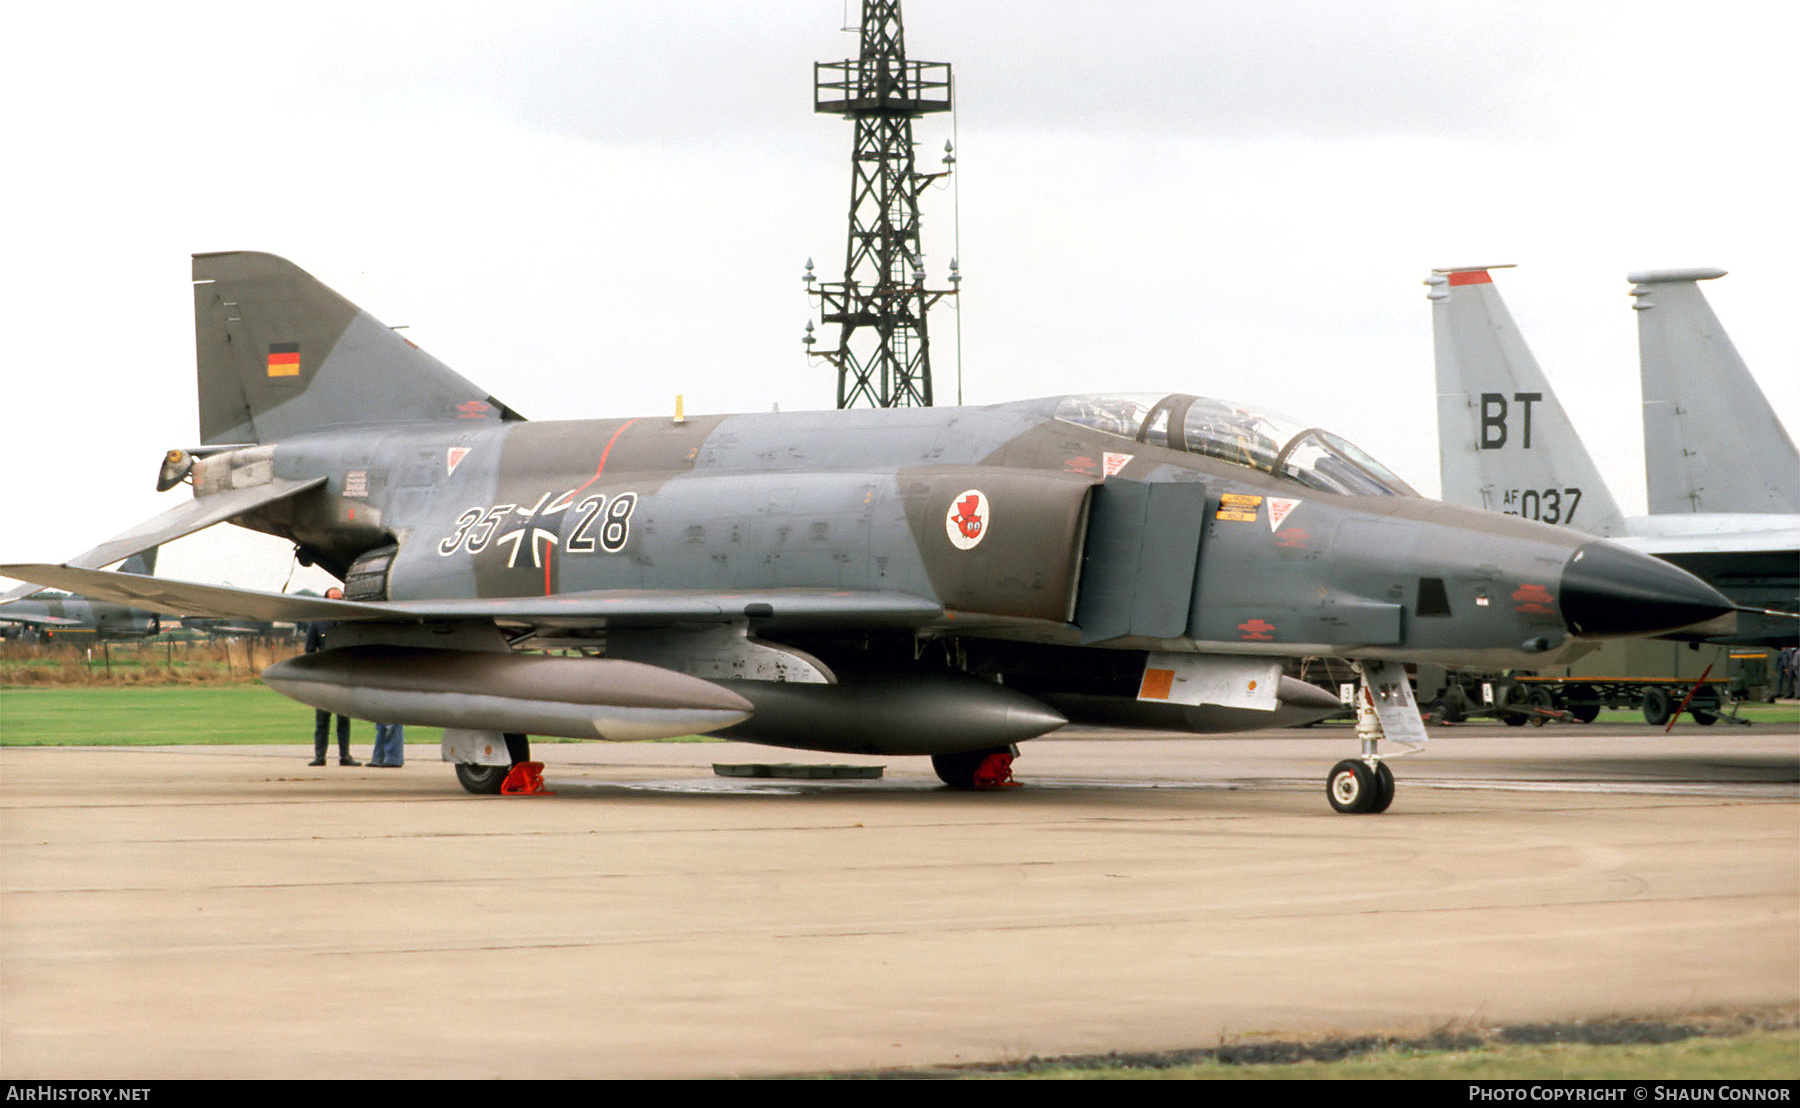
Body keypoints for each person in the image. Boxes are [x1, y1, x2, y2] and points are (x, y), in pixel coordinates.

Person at [306, 587, 359, 766]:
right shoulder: (317, 623)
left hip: (343, 676)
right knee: (322, 720)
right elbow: (309, 650)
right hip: (324, 677)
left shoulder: (348, 623)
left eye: (340, 599)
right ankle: (320, 756)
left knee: (344, 719)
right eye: (334, 599)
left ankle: (345, 756)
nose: (337, 602)